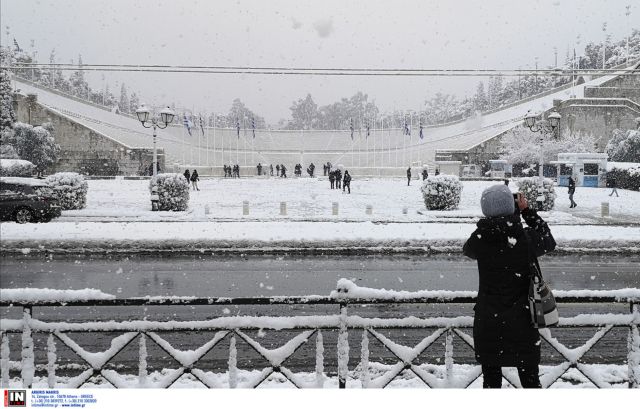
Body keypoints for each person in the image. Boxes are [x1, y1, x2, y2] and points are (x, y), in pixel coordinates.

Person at [463, 185, 556, 389]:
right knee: (530, 381)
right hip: (523, 320)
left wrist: (494, 220)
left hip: (488, 322)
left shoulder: (479, 239)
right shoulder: (526, 238)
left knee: (491, 381)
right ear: (511, 206)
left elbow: (468, 249)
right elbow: (549, 240)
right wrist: (526, 211)